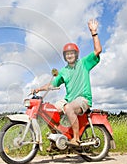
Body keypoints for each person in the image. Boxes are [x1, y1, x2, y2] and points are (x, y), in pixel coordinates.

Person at [33, 19, 102, 147]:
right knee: (48, 110)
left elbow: (97, 50)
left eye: (72, 53)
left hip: (83, 99)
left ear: (76, 55)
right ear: (65, 56)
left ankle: (76, 139)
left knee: (68, 108)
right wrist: (38, 89)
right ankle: (56, 138)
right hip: (68, 99)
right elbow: (52, 85)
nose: (70, 56)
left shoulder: (84, 63)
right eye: (67, 54)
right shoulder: (63, 71)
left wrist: (94, 32)